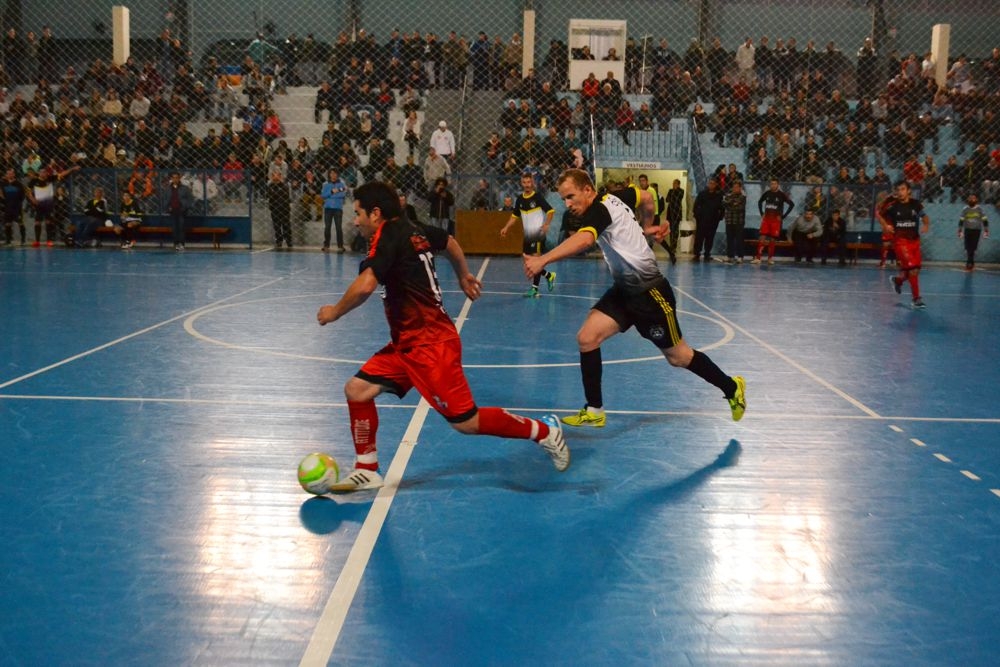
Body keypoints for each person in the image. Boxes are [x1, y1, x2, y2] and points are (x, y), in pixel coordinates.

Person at [315, 181, 569, 491]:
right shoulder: (413, 227)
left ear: (376, 213)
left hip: (431, 345)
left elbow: (366, 285)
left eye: (358, 214)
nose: (355, 221)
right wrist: (463, 274)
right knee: (357, 390)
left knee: (466, 422)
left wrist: (334, 312)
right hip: (408, 344)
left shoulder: (388, 236)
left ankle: (544, 431)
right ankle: (367, 468)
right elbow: (449, 241)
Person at [523, 168, 746, 428]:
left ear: (588, 190)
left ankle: (732, 388)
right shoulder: (619, 195)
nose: (567, 204)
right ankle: (595, 409)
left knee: (679, 357)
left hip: (650, 294)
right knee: (587, 338)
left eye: (571, 196)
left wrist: (543, 259)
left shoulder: (599, 210)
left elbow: (584, 240)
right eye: (563, 199)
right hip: (624, 290)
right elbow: (646, 197)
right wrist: (647, 226)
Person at [500, 172, 556, 297]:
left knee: (536, 261)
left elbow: (551, 211)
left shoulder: (537, 197)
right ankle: (549, 275)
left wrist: (546, 224)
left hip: (537, 234)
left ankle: (534, 289)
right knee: (528, 263)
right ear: (521, 183)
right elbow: (514, 216)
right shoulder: (519, 199)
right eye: (524, 182)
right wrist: (506, 227)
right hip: (527, 236)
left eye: (529, 182)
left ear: (533, 183)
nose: (527, 185)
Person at [881, 181, 930, 309]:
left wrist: (926, 224)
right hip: (900, 241)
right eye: (898, 190)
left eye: (903, 189)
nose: (900, 192)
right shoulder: (892, 206)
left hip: (915, 241)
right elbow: (880, 215)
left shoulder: (915, 204)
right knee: (912, 269)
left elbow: (924, 217)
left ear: (909, 191)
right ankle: (916, 299)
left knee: (916, 270)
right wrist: (886, 225)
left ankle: (897, 281)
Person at [753, 179, 794, 265]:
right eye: (771, 184)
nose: (773, 185)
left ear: (778, 185)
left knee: (772, 240)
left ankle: (770, 258)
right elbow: (760, 202)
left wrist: (783, 216)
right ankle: (758, 258)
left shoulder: (781, 195)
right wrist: (761, 213)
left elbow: (791, 204)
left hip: (776, 221)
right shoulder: (767, 193)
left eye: (775, 184)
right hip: (766, 219)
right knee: (762, 238)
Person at [692, 177, 725, 262]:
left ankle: (707, 254)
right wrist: (697, 216)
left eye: (713, 183)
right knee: (699, 238)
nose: (711, 185)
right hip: (702, 221)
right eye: (710, 183)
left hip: (713, 221)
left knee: (710, 238)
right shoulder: (702, 194)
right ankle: (697, 254)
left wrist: (719, 218)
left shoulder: (718, 195)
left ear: (716, 185)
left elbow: (722, 208)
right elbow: (696, 206)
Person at [958, 193, 990, 271]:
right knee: (967, 247)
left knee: (973, 247)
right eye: (970, 198)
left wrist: (986, 230)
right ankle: (970, 263)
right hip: (967, 230)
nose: (972, 199)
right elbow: (961, 220)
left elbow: (985, 220)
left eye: (973, 198)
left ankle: (969, 263)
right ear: (968, 200)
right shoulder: (965, 209)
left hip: (976, 230)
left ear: (976, 200)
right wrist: (960, 231)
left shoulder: (979, 209)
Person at [163, 171, 193, 251]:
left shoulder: (185, 188)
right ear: (171, 179)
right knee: (174, 228)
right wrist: (167, 207)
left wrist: (185, 207)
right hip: (172, 211)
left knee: (181, 228)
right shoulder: (168, 189)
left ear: (179, 178)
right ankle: (175, 243)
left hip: (181, 211)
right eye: (173, 178)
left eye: (176, 177)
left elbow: (190, 199)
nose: (175, 179)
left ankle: (181, 244)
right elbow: (165, 199)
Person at [2, 168, 33, 246]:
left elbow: (23, 194)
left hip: (17, 207)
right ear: (6, 175)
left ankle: (23, 240)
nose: (9, 175)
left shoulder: (18, 184)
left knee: (20, 223)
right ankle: (8, 240)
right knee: (7, 224)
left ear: (14, 174)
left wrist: (19, 203)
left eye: (11, 173)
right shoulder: (3, 183)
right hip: (7, 206)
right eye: (8, 173)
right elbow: (2, 194)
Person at [321, 168, 348, 253]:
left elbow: (342, 194)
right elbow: (323, 195)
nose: (333, 175)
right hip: (328, 208)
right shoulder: (325, 184)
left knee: (338, 228)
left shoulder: (342, 183)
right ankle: (326, 245)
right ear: (329, 174)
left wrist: (331, 195)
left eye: (335, 173)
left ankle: (340, 246)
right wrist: (332, 192)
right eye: (331, 173)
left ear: (337, 174)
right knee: (327, 228)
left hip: (337, 208)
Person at [722, 180, 747, 263]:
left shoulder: (742, 197)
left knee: (739, 239)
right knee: (729, 239)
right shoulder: (728, 195)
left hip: (739, 221)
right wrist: (733, 203)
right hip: (729, 221)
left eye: (737, 187)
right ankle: (730, 256)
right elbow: (724, 204)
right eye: (734, 187)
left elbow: (740, 208)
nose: (735, 188)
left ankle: (740, 256)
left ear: (740, 188)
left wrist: (730, 204)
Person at [267, 170, 293, 249]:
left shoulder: (285, 185)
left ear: (280, 176)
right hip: (274, 208)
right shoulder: (270, 186)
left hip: (284, 208)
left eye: (277, 175)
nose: (276, 177)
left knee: (286, 225)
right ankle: (279, 241)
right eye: (274, 175)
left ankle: (289, 241)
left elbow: (286, 195)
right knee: (276, 226)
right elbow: (270, 196)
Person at [663, 179, 684, 263]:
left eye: (675, 184)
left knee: (675, 230)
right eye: (673, 183)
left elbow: (678, 198)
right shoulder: (670, 191)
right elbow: (667, 199)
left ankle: (674, 247)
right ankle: (671, 246)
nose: (673, 185)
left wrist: (674, 192)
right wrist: (672, 194)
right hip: (670, 213)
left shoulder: (681, 191)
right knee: (671, 230)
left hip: (677, 213)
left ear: (678, 184)